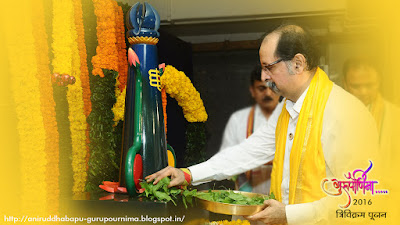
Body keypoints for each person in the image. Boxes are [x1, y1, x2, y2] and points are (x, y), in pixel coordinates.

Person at [147, 24, 379, 225]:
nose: (265, 77)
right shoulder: (286, 108)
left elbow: (359, 199)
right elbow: (249, 151)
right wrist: (188, 175)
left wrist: (289, 214)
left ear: (298, 63)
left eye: (269, 67)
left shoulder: (346, 113)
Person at [220, 64, 280, 195]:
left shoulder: (293, 116)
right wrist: (243, 184)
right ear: (252, 91)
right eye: (261, 88)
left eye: (272, 88)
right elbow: (227, 159)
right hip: (247, 194)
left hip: (283, 196)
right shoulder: (238, 119)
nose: (268, 93)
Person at [343, 57, 400, 164]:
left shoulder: (395, 116)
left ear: (379, 82)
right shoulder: (332, 114)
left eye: (369, 85)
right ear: (345, 84)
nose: (363, 92)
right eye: (356, 86)